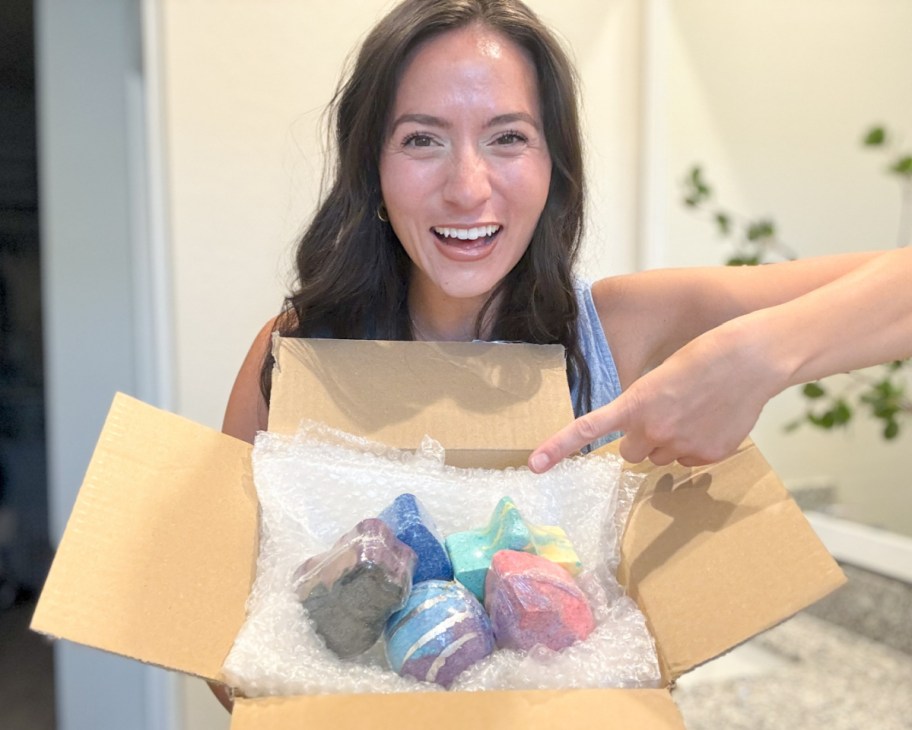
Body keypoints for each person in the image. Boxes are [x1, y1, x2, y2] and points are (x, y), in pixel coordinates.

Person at [217, 0, 912, 707]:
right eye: (422, 140)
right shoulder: (298, 354)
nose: (467, 187)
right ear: (372, 167)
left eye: (508, 138)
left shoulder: (620, 329)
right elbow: (223, 646)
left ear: (556, 166)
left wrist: (757, 352)